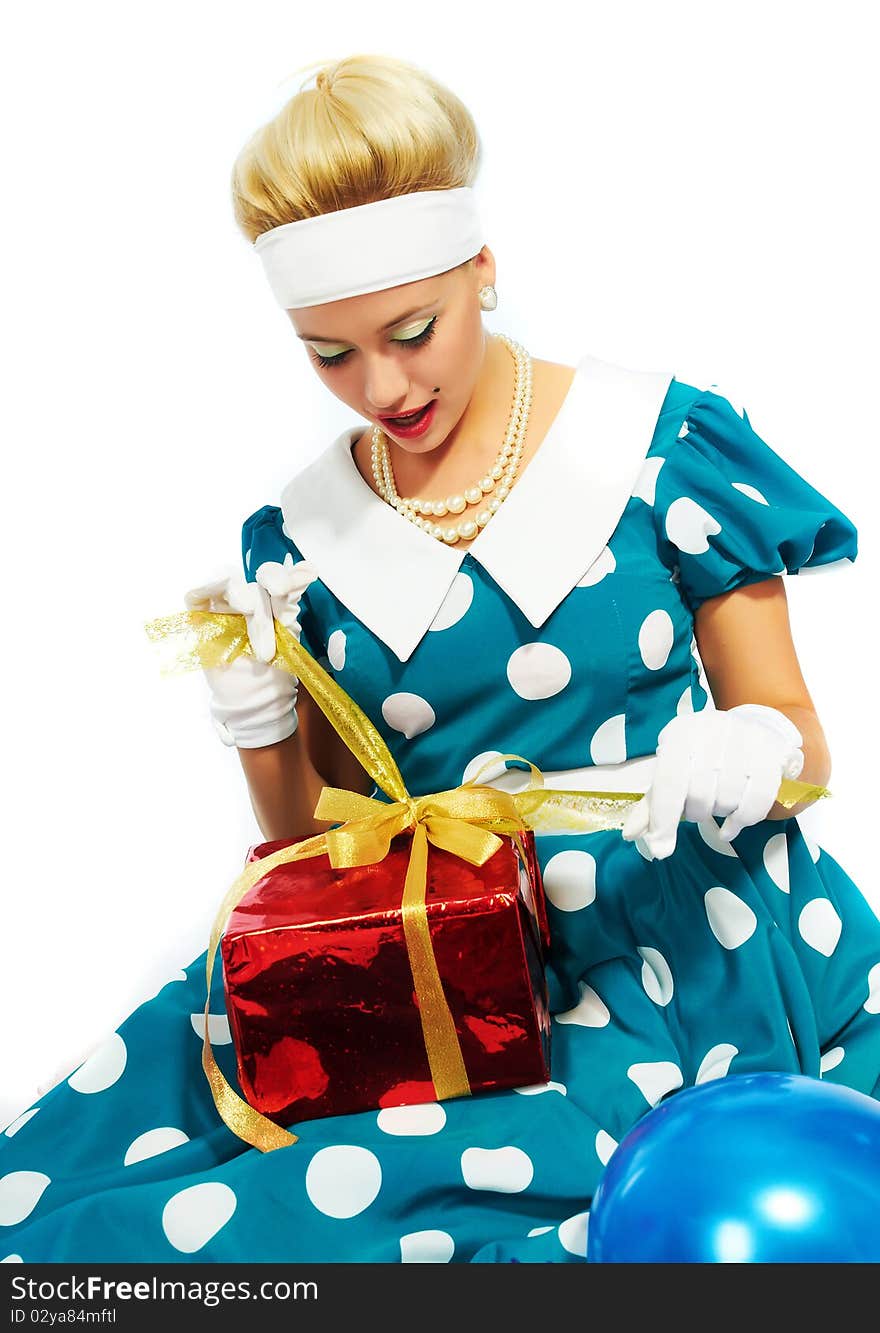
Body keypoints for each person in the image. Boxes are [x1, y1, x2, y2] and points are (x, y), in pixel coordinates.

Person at [2, 52, 878, 1266]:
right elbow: (312, 841)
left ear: (483, 269)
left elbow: (797, 729)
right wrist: (261, 726)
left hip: (673, 924)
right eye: (331, 354)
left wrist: (756, 744)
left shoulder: (654, 445)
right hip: (439, 950)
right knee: (128, 1192)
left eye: (411, 332)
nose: (383, 386)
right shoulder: (302, 537)